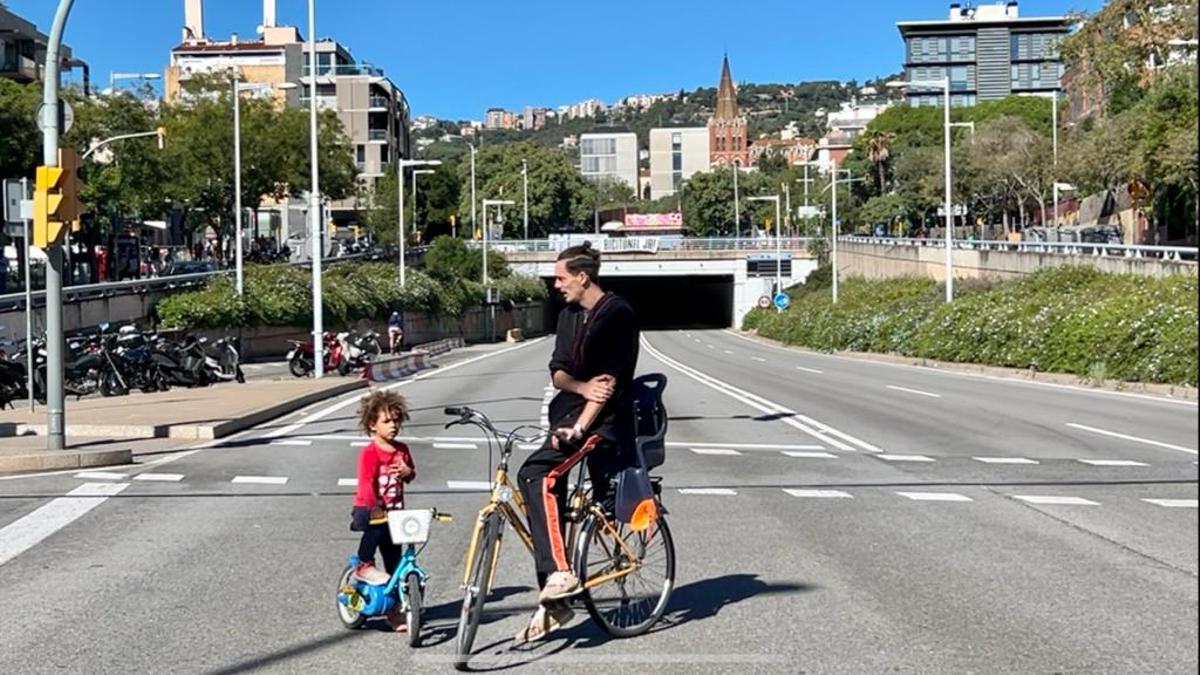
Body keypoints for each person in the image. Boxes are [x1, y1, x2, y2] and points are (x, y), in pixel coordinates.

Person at [514, 242, 640, 644]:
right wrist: (579, 385)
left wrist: (581, 427)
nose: (555, 284)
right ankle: (554, 598)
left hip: (600, 425)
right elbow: (559, 373)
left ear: (583, 277)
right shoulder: (568, 316)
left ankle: (561, 575)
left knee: (536, 475)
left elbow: (609, 385)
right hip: (566, 417)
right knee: (547, 507)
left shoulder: (616, 315)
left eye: (560, 277)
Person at [349, 390, 416, 631]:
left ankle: (393, 610)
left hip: (396, 514)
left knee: (394, 561)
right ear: (372, 425)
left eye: (396, 420)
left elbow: (411, 475)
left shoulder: (402, 450)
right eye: (386, 421)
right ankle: (363, 565)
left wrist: (407, 472)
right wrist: (374, 508)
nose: (393, 426)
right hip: (372, 509)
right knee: (373, 534)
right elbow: (366, 483)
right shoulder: (370, 453)